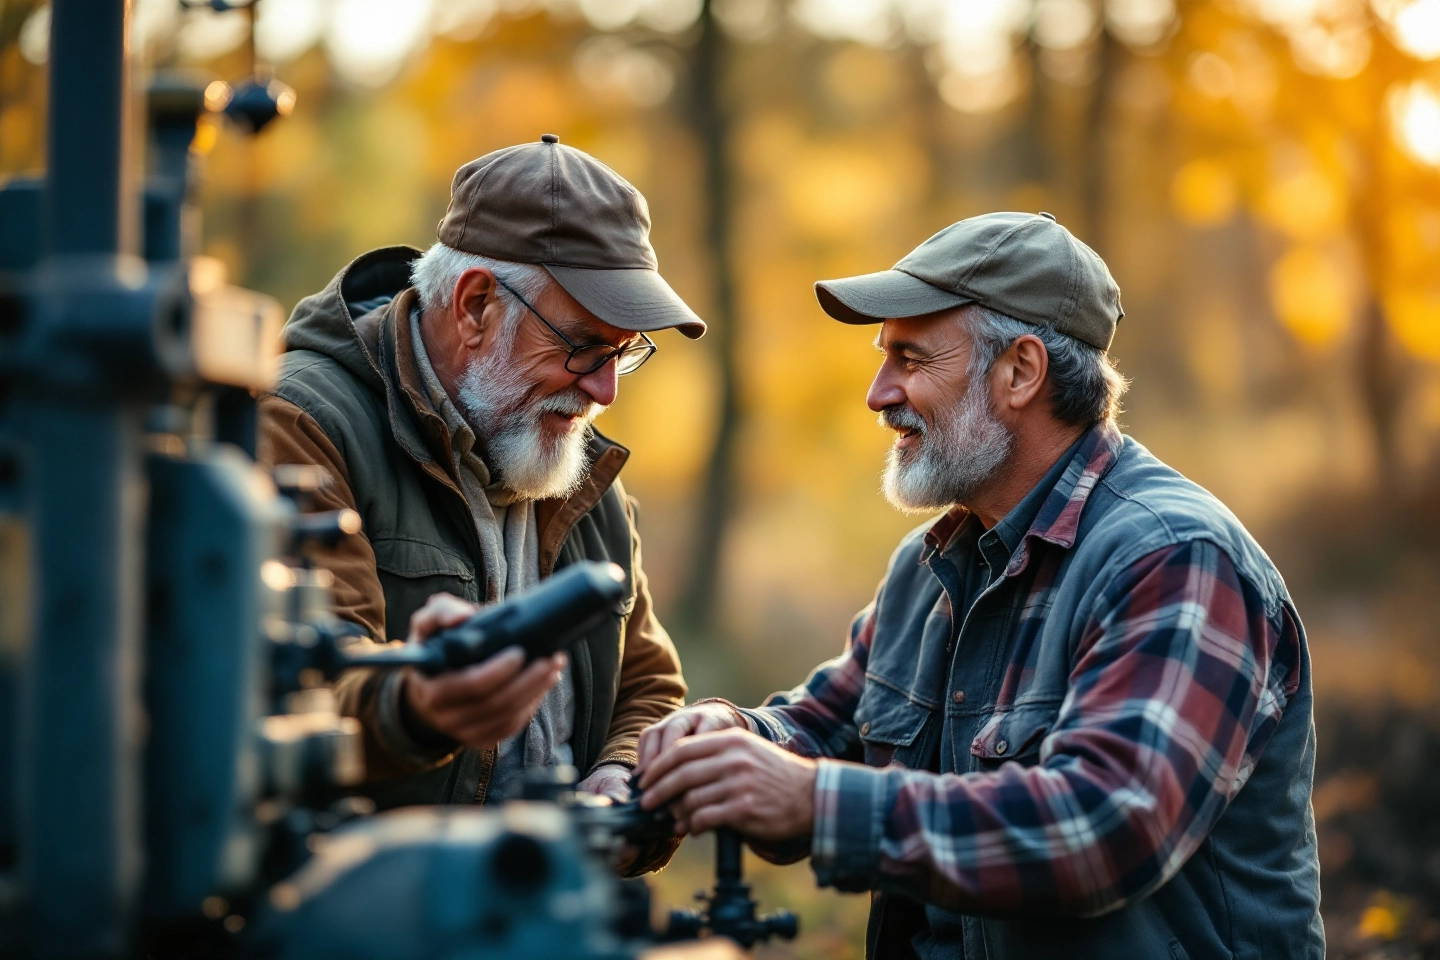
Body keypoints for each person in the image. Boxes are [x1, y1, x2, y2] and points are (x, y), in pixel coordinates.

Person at [635, 212, 1322, 957]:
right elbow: (830, 723)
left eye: (910, 358)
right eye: (883, 357)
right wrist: (733, 737)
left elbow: (1106, 828)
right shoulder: (932, 562)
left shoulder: (1174, 559)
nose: (876, 393)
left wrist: (811, 803)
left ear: (1021, 372)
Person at [258, 137, 697, 871]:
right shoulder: (301, 424)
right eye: (585, 345)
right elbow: (299, 692)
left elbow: (648, 685)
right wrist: (422, 707)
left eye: (623, 352)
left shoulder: (577, 466)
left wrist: (623, 778)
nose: (605, 390)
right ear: (476, 305)